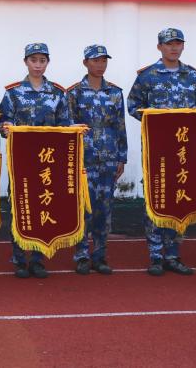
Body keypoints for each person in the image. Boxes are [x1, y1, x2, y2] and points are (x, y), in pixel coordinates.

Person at [128, 27, 196, 276]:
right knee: (156, 196)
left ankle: (173, 254)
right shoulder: (147, 76)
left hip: (184, 149)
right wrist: (154, 120)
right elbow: (133, 105)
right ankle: (155, 255)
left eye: (177, 43)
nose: (174, 48)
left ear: (183, 46)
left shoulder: (192, 76)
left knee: (179, 197)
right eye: (169, 44)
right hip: (157, 148)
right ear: (159, 47)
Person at [0, 43, 72, 279]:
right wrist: (5, 127)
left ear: (47, 62)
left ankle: (38, 259)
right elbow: (3, 120)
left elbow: (65, 124)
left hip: (48, 161)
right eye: (33, 60)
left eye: (42, 60)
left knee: (44, 205)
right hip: (21, 159)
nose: (38, 65)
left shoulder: (57, 93)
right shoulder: (13, 92)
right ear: (26, 62)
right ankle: (19, 258)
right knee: (19, 207)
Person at [67, 45, 126, 276]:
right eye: (95, 61)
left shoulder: (115, 92)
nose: (100, 65)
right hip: (84, 159)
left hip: (109, 158)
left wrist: (122, 157)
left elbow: (120, 126)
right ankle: (82, 255)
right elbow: (68, 128)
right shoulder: (74, 93)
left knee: (104, 209)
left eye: (104, 61)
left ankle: (100, 255)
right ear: (85, 63)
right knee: (83, 208)